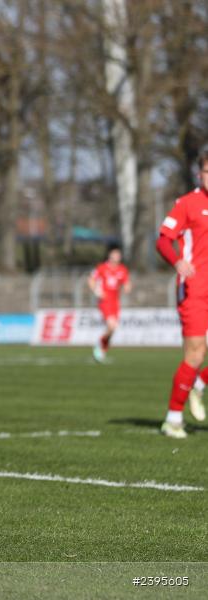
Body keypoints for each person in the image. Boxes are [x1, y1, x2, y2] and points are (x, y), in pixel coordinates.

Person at [155, 148, 208, 438]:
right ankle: (172, 419)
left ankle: (198, 386)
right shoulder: (188, 204)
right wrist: (176, 261)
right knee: (196, 353)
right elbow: (163, 240)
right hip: (195, 289)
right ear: (200, 174)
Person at [87, 244, 131, 363]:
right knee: (111, 326)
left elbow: (127, 283)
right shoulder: (101, 267)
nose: (117, 256)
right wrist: (97, 291)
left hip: (115, 302)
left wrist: (127, 287)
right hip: (105, 301)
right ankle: (100, 344)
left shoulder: (122, 269)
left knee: (113, 329)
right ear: (110, 255)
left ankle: (102, 349)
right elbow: (91, 279)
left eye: (118, 254)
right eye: (114, 254)